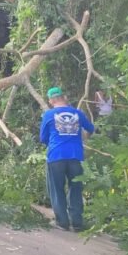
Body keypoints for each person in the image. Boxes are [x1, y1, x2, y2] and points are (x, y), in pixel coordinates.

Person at [40, 86, 95, 231]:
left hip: (56, 155)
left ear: (51, 101)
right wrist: (79, 138)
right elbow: (91, 129)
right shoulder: (77, 113)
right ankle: (77, 223)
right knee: (75, 188)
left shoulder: (49, 114)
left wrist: (53, 143)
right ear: (64, 98)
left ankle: (62, 222)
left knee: (57, 189)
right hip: (76, 156)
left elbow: (42, 138)